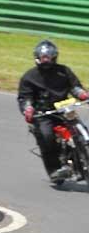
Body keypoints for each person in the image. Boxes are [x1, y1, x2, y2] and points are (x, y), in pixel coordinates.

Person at [17, 39, 89, 183]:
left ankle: (81, 156)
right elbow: (25, 97)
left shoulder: (64, 71)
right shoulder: (29, 77)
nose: (46, 60)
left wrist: (82, 94)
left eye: (49, 57)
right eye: (43, 58)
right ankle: (55, 170)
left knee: (81, 130)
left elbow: (74, 86)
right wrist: (28, 109)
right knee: (47, 136)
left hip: (64, 109)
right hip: (44, 114)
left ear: (55, 57)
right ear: (37, 57)